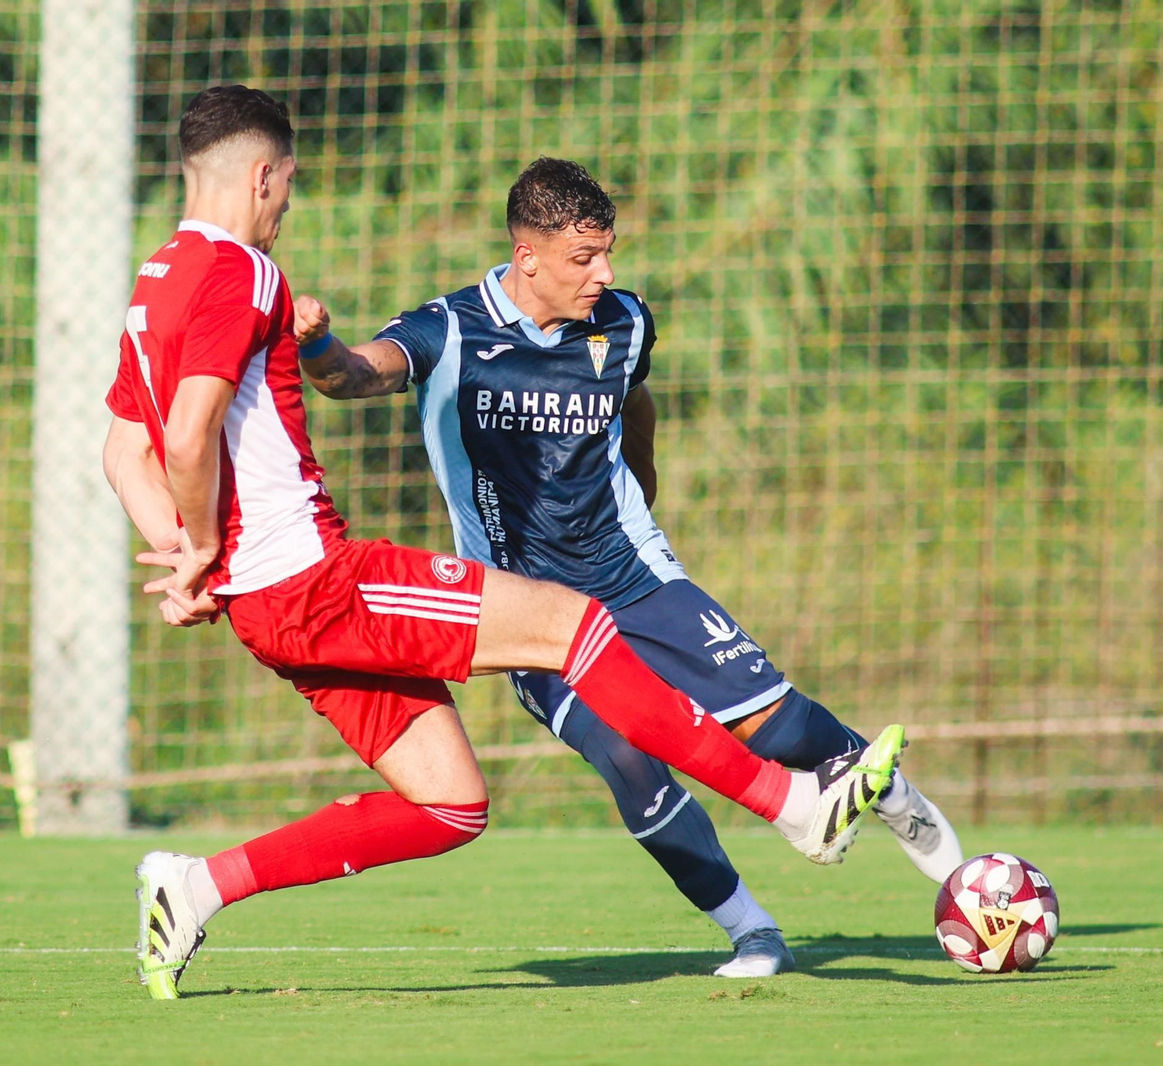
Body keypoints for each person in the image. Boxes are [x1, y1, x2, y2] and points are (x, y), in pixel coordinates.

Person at [102, 87, 907, 1000]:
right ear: (263, 174)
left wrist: (178, 553)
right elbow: (188, 432)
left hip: (267, 608)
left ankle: (195, 885)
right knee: (572, 623)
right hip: (312, 580)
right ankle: (798, 807)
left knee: (451, 804)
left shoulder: (155, 279)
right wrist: (202, 548)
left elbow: (123, 446)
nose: (287, 205)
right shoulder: (244, 270)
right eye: (288, 186)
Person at [292, 157, 964, 978]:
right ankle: (753, 931)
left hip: (634, 577)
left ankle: (902, 806)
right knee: (630, 759)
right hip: (522, 611)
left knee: (777, 727)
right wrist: (317, 340)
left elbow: (632, 400)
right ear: (527, 255)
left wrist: (641, 484)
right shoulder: (454, 330)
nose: (604, 273)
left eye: (608, 253)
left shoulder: (625, 323)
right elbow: (352, 377)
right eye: (584, 259)